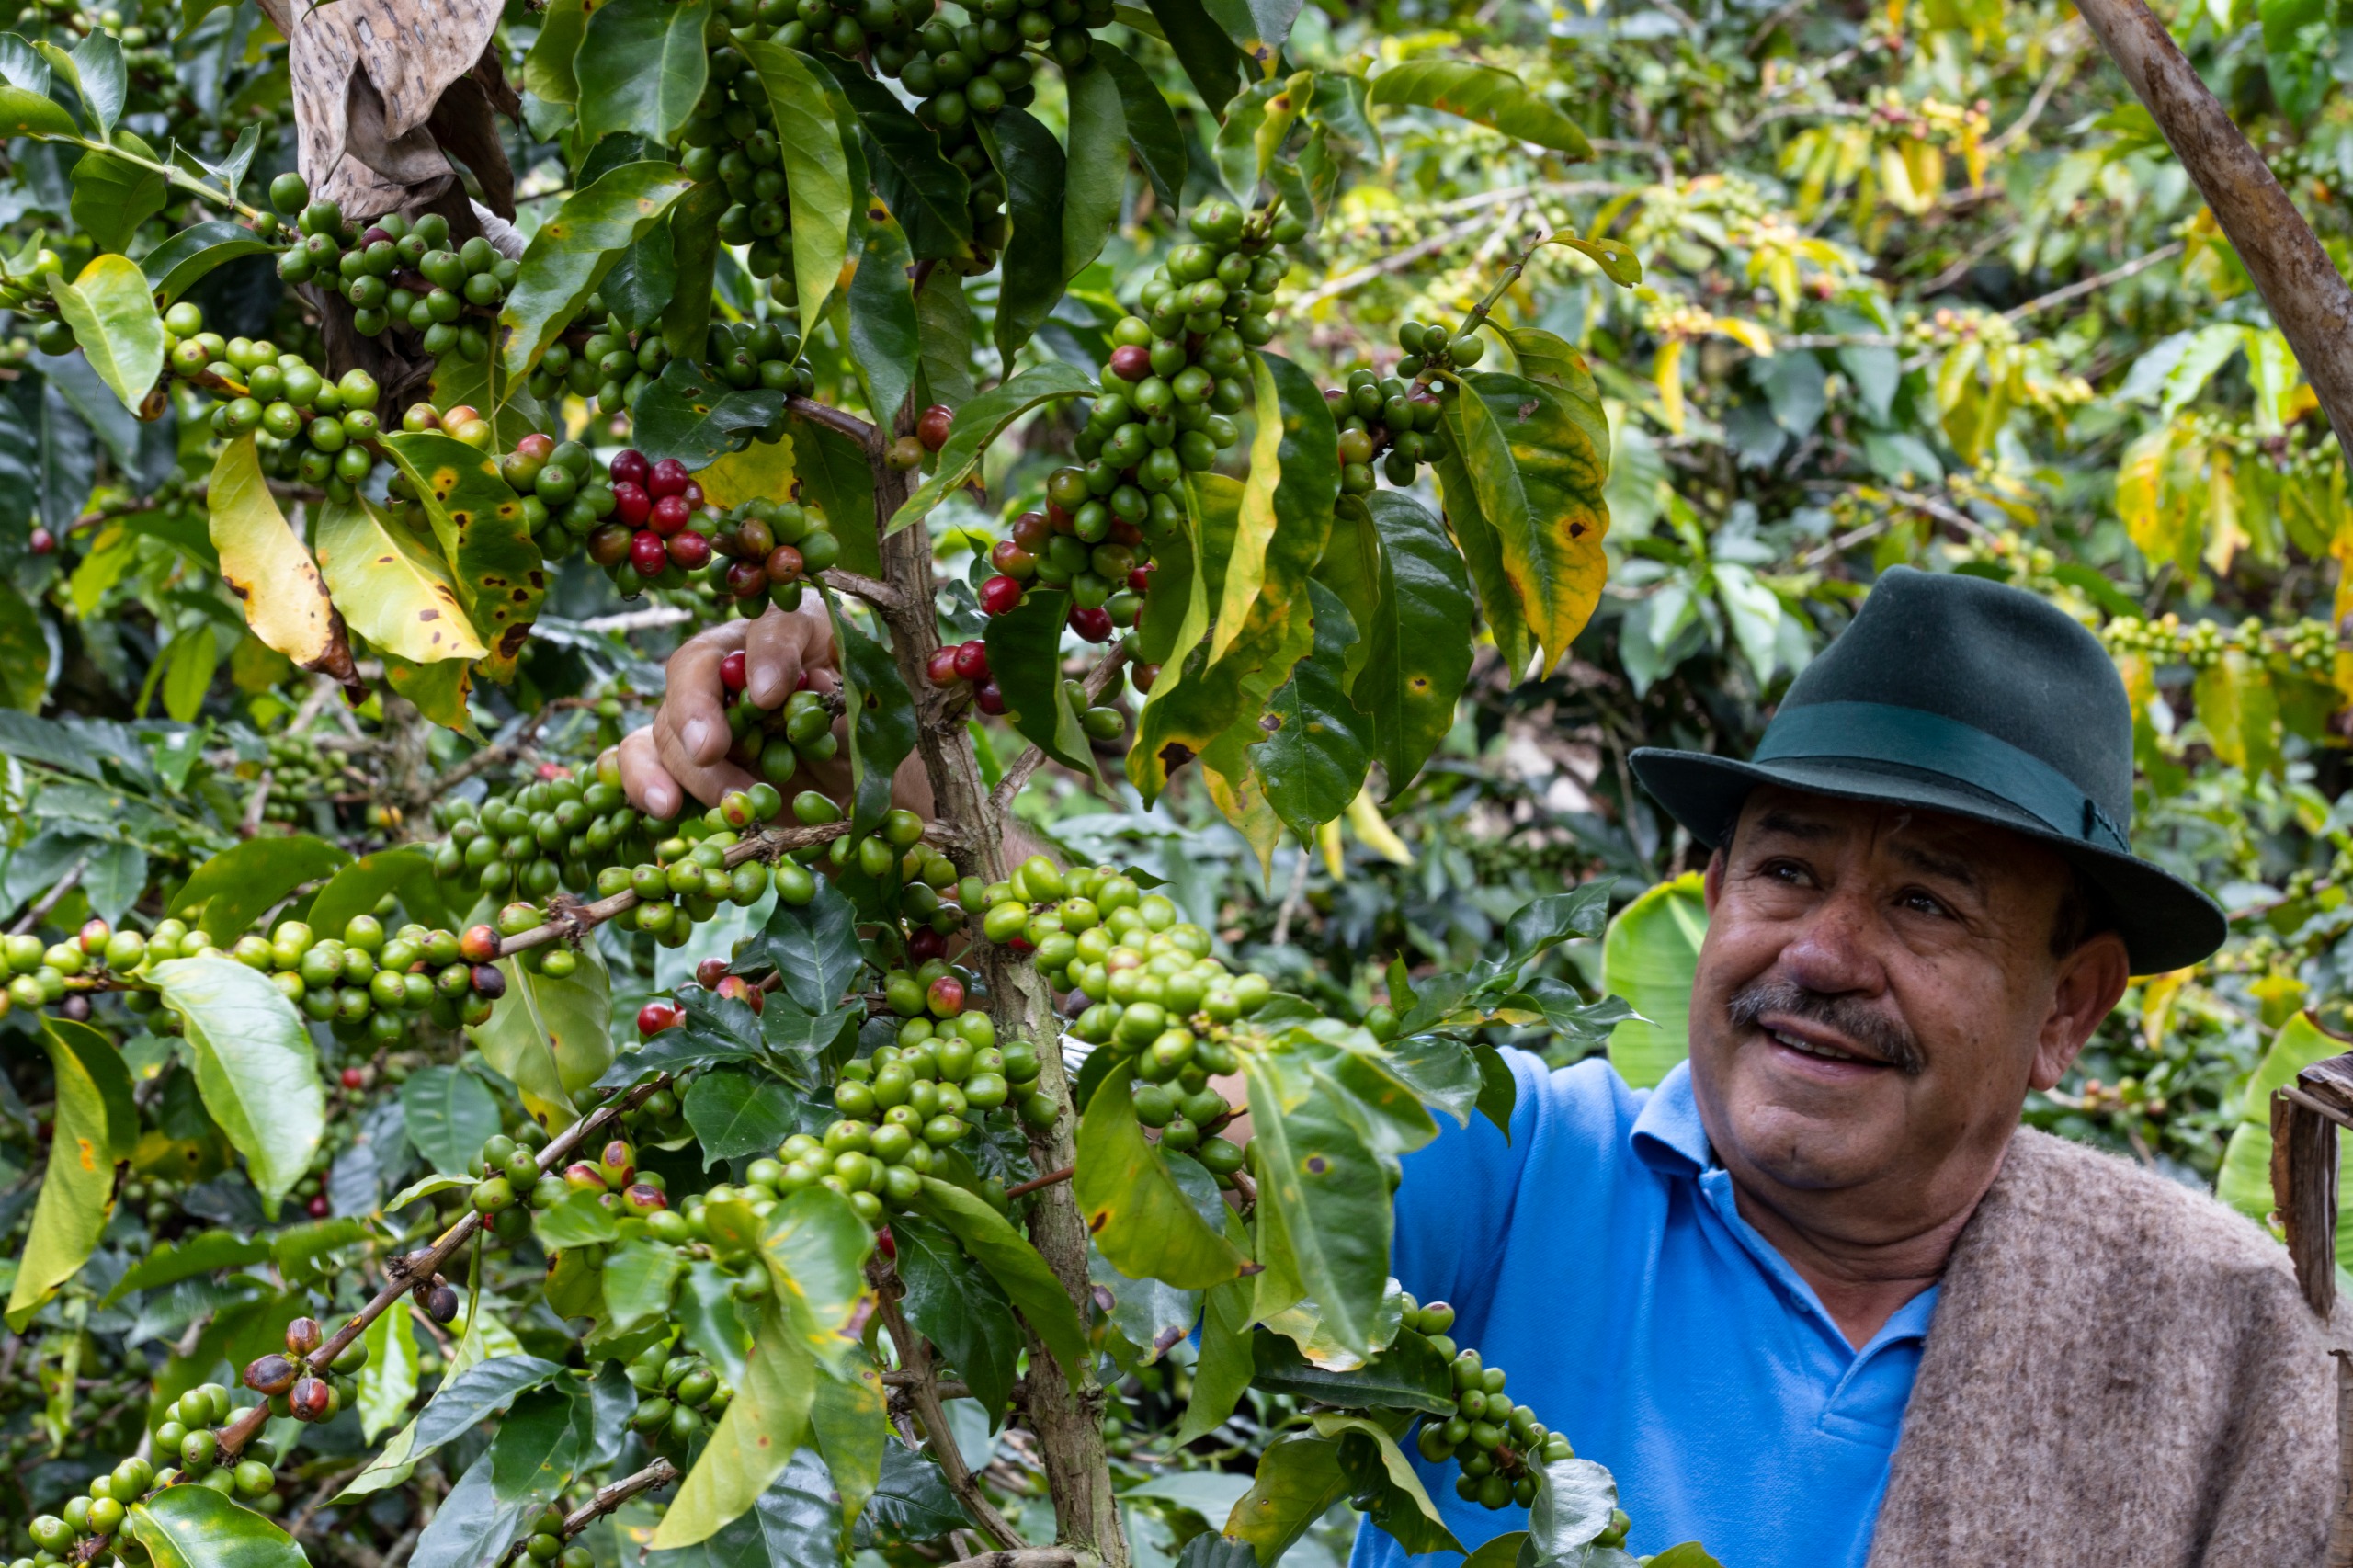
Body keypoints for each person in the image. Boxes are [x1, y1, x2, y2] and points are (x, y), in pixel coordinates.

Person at [615, 569, 2339, 1567]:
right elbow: (1147, 1115)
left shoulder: (2205, 1333)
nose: (1824, 954)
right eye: (1788, 871)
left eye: (1929, 905)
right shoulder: (1520, 1170)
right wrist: (892, 812)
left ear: (2071, 1005)